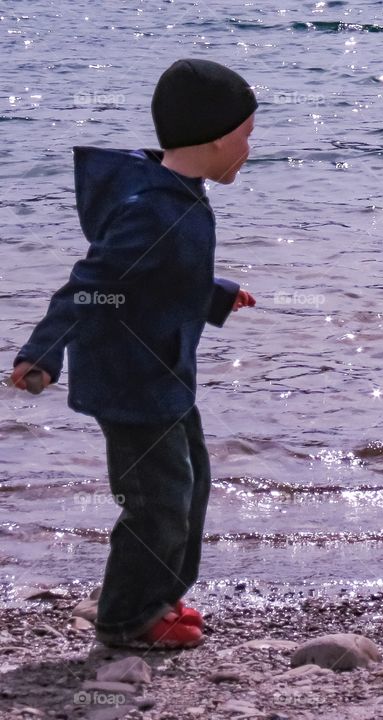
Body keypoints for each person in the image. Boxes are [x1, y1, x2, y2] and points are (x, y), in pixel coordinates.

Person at [9, 58, 258, 649]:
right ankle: (126, 616)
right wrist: (42, 354)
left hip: (164, 372)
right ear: (218, 137)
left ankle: (159, 596)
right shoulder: (151, 206)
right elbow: (89, 283)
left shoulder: (177, 192)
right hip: (131, 381)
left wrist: (216, 295)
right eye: (247, 137)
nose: (250, 150)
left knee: (190, 486)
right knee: (155, 501)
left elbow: (156, 275)